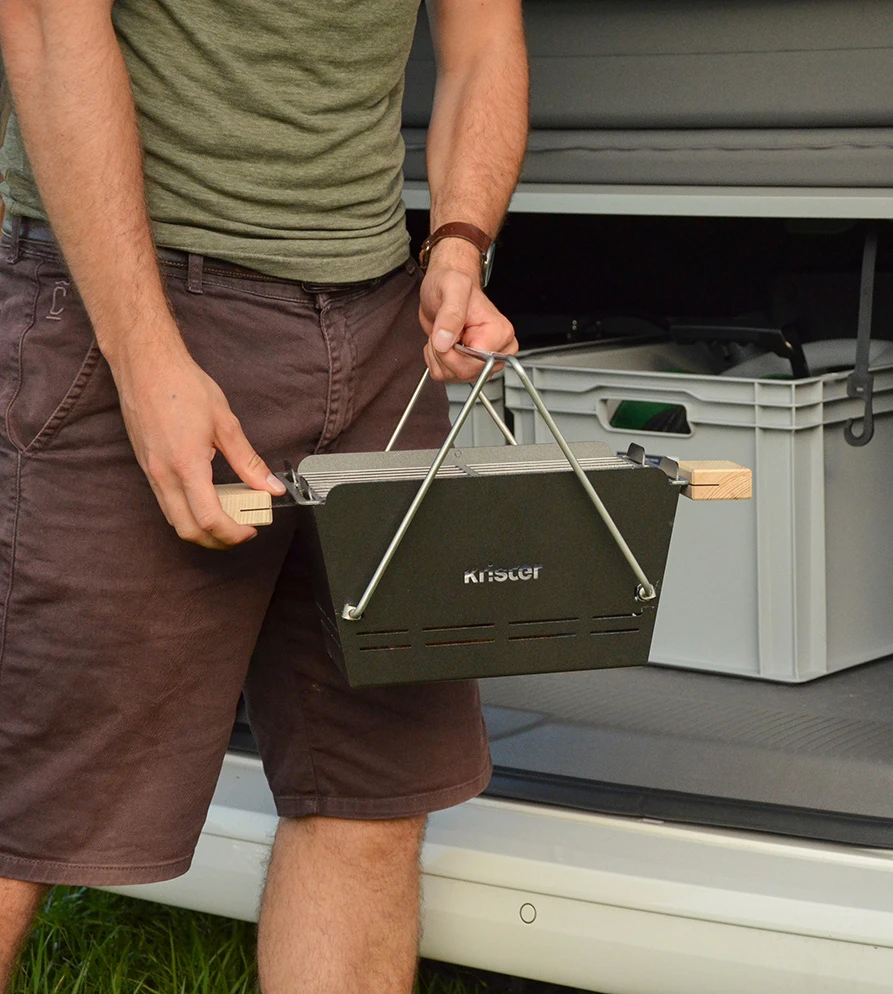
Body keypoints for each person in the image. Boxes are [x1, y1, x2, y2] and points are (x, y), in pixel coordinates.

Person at [0, 0, 527, 990]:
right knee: (24, 801)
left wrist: (458, 246)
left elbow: (484, 42)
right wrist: (144, 358)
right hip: (133, 300)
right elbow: (42, 23)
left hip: (379, 325)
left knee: (371, 793)